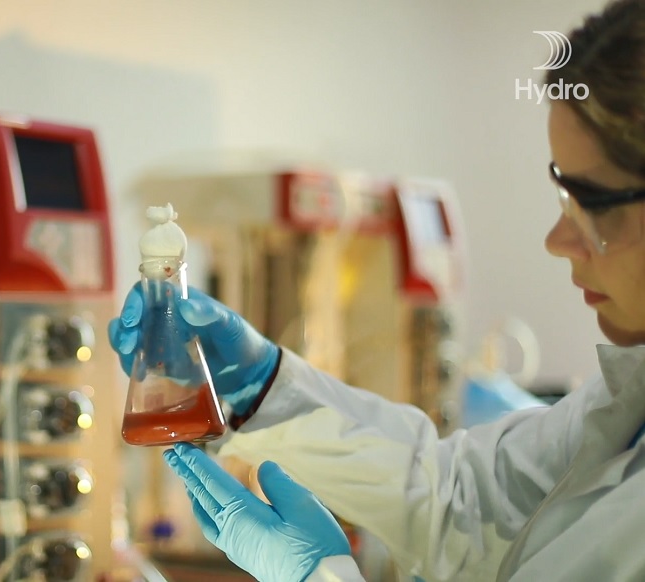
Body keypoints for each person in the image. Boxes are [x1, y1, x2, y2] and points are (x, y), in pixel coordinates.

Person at [108, 1, 645, 580]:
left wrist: (320, 575)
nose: (558, 239)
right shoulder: (627, 408)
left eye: (590, 204)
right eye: (563, 198)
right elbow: (458, 499)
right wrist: (260, 385)